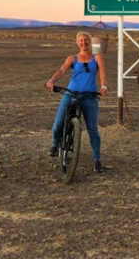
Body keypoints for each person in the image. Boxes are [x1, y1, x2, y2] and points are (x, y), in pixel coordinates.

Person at [45, 32, 108, 173]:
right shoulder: (72, 58)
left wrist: (103, 86)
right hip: (71, 94)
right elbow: (61, 70)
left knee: (93, 129)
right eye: (81, 40)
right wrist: (51, 81)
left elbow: (102, 73)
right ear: (77, 43)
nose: (83, 43)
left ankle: (97, 160)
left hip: (89, 97)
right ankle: (55, 145)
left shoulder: (97, 57)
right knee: (58, 123)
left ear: (90, 42)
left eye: (86, 40)